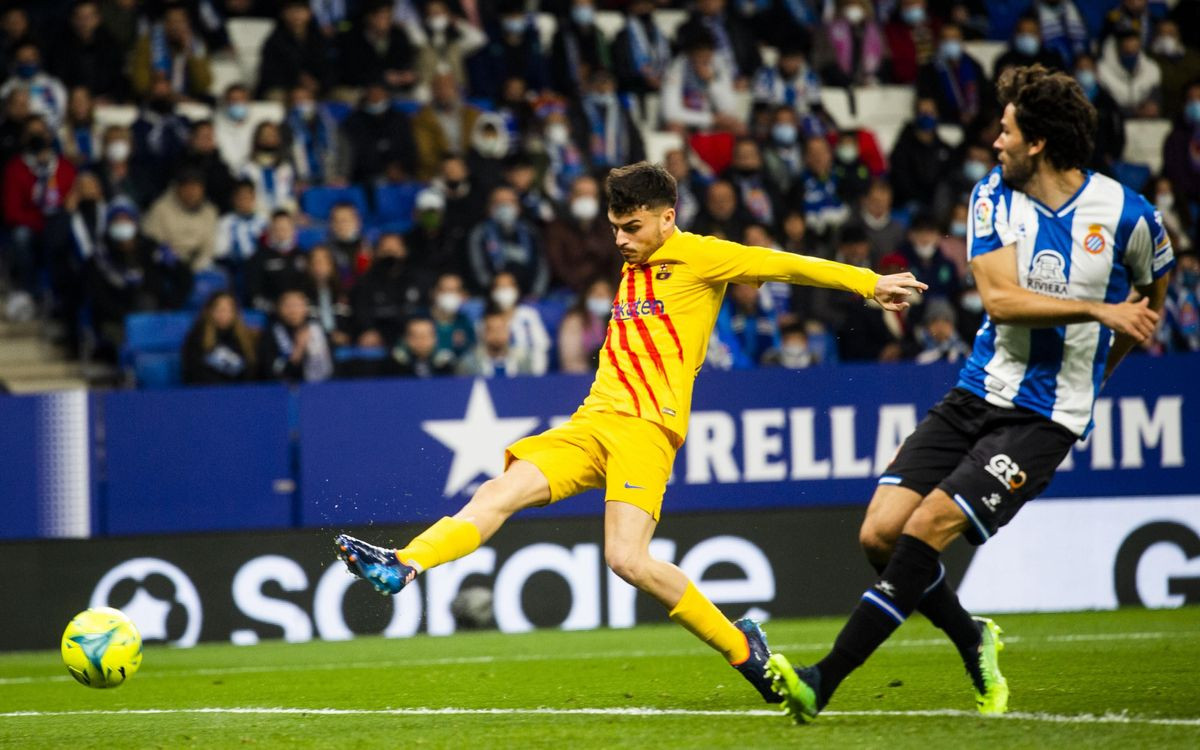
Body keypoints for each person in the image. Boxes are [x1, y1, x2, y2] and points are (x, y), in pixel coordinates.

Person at [334, 160, 924, 706]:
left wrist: (869, 283)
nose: (620, 239)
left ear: (669, 217)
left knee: (626, 559)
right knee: (496, 492)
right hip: (592, 421)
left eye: (632, 226)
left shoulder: (701, 256)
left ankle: (744, 648)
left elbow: (784, 264)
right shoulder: (633, 264)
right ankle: (404, 564)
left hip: (646, 429)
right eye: (616, 227)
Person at [768, 64, 1174, 724]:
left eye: (1007, 131)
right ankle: (971, 636)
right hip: (978, 391)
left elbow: (1150, 297)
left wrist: (1097, 374)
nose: (996, 142)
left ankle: (823, 678)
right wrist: (1100, 314)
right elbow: (1000, 300)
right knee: (879, 534)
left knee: (925, 529)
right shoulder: (993, 195)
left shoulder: (1129, 216)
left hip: (1046, 417)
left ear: (1037, 141)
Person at [543, 175, 621, 292]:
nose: (586, 199)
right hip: (567, 291)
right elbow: (557, 267)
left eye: (591, 195)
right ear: (570, 197)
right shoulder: (556, 228)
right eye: (581, 194)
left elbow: (616, 264)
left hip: (603, 293)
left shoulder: (607, 228)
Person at [141, 167, 219, 271]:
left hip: (197, 263)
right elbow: (152, 240)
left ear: (202, 189)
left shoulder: (210, 211)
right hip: (168, 263)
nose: (191, 192)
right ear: (178, 188)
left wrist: (197, 265)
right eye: (186, 186)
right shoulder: (160, 208)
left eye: (195, 187)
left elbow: (208, 246)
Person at [257, 288, 334, 382]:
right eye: (288, 305)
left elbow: (330, 365)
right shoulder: (270, 334)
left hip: (319, 388)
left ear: (306, 307)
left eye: (297, 305)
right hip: (281, 390)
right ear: (279, 308)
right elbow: (271, 371)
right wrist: (298, 350)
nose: (293, 310)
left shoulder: (316, 329)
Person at [181, 291, 258, 384]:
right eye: (219, 309)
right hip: (208, 392)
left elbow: (251, 370)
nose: (224, 314)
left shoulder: (244, 339)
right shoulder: (197, 338)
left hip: (240, 392)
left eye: (229, 310)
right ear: (210, 311)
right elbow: (193, 371)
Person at [557, 277, 614, 373]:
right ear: (586, 296)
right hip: (583, 377)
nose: (600, 298)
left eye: (604, 294)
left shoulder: (619, 321)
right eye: (596, 294)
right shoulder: (574, 321)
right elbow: (570, 361)